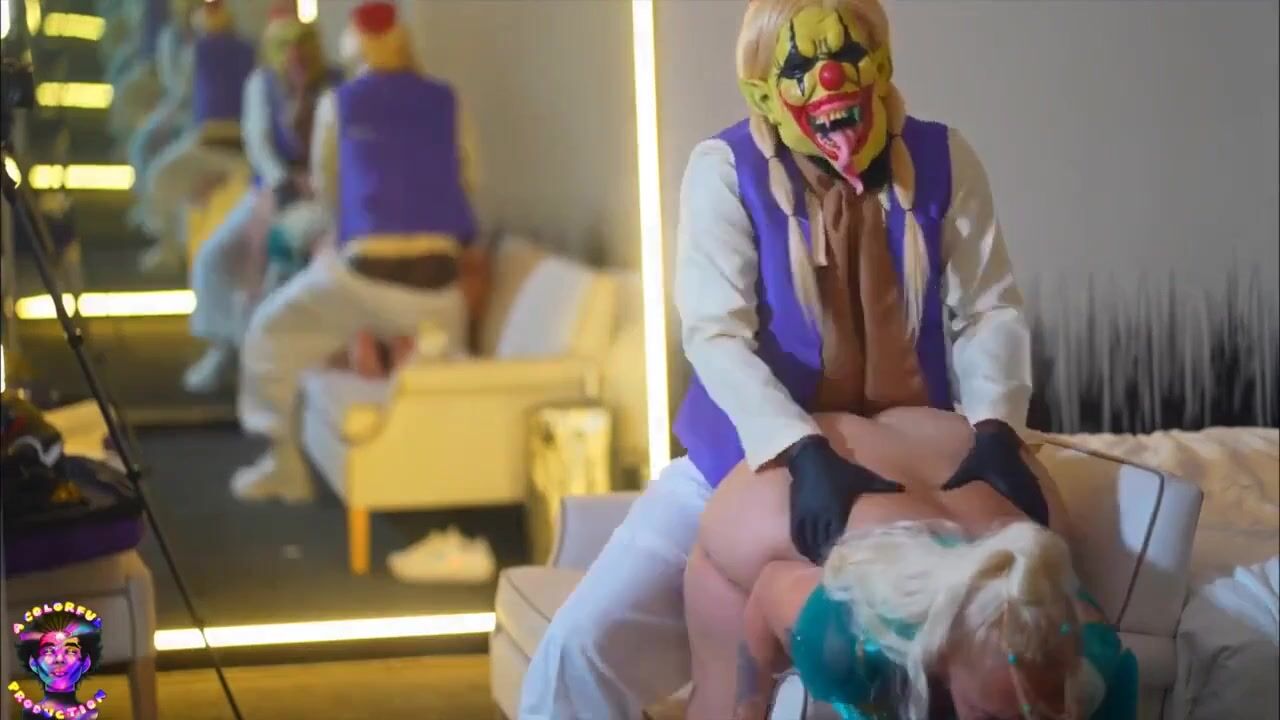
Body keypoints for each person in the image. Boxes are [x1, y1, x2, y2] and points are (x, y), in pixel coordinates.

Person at [519, 0, 1037, 717]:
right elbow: (716, 334)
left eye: (846, 56)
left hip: (898, 467)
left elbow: (989, 309)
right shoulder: (725, 170)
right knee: (581, 646)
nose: (829, 79)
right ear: (763, 90)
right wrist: (799, 449)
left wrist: (996, 427)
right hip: (739, 463)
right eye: (800, 65)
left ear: (881, 62)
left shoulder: (945, 160)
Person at [685, 408, 1139, 719]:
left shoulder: (1095, 664)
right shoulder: (851, 636)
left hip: (969, 452)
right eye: (991, 718)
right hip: (800, 477)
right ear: (941, 662)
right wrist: (749, 702)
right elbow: (770, 588)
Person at [230, 0, 477, 503]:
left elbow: (330, 192)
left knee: (269, 334)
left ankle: (285, 465)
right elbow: (469, 178)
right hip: (441, 287)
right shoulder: (447, 98)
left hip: (367, 278)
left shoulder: (340, 102)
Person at [183, 8, 340, 394]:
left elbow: (335, 152)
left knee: (280, 270)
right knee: (213, 257)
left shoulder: (334, 86)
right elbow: (259, 144)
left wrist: (315, 183)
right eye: (285, 46)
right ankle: (223, 344)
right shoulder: (262, 84)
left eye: (301, 45)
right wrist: (281, 182)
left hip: (322, 197)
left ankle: (267, 362)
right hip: (272, 191)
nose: (295, 56)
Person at [133, 0, 256, 272]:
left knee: (160, 178)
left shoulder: (199, 51)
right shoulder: (246, 49)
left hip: (219, 146)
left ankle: (170, 246)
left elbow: (181, 94)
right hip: (232, 146)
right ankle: (177, 245)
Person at [126, 0, 200, 246]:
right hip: (179, 108)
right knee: (143, 144)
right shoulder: (171, 37)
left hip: (198, 118)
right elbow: (176, 88)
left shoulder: (206, 43)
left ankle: (169, 234)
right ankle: (156, 218)